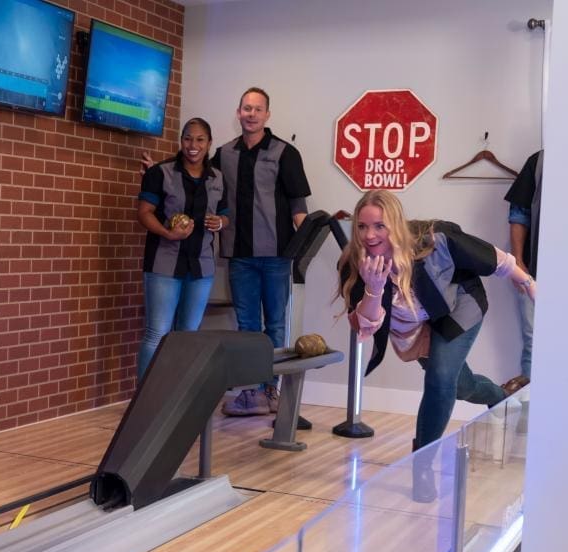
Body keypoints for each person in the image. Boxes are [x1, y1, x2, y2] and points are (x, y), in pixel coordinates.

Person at [337, 190, 536, 502]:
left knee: (441, 378)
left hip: (458, 307)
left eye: (379, 226)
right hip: (415, 326)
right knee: (459, 385)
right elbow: (365, 327)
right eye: (362, 227)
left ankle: (422, 465)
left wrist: (527, 282)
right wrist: (374, 289)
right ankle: (500, 397)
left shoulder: (433, 240)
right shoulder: (356, 262)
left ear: (396, 224)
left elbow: (490, 257)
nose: (369, 235)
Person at [144, 88, 312, 415]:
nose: (251, 114)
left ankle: (271, 390)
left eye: (257, 109)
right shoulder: (223, 154)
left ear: (267, 115)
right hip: (239, 256)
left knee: (275, 324)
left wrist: (304, 246)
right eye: (246, 108)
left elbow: (298, 208)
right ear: (238, 113)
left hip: (277, 256)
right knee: (247, 325)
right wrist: (154, 174)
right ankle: (251, 392)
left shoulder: (285, 153)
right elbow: (195, 176)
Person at [135, 117, 229, 380]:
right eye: (188, 138)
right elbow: (144, 213)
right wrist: (167, 232)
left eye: (200, 139)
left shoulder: (218, 178)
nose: (193, 145)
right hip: (164, 264)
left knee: (188, 335)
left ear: (209, 143)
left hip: (201, 267)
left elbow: (226, 214)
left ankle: (178, 400)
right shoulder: (160, 173)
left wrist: (220, 222)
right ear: (181, 141)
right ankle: (146, 402)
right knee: (158, 333)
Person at [502, 150, 543, 392]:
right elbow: (519, 213)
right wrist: (517, 260)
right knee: (534, 340)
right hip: (535, 271)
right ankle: (531, 413)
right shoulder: (539, 162)